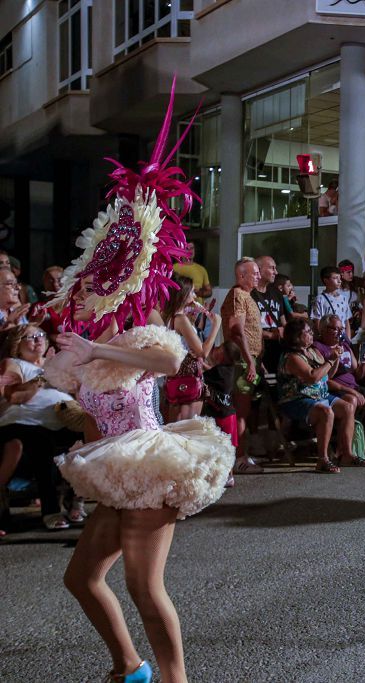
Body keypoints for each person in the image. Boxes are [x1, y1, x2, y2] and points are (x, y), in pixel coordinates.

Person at [46, 87, 233, 683]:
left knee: (141, 583)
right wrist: (89, 443)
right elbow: (98, 413)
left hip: (152, 465)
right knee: (81, 578)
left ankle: (174, 679)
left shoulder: (148, 334)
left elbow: (171, 367)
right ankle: (129, 666)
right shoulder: (86, 352)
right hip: (118, 470)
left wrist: (95, 348)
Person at [0, 324, 81, 530]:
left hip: (62, 420)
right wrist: (45, 374)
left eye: (41, 335)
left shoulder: (56, 362)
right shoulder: (14, 363)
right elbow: (15, 396)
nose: (38, 339)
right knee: (40, 440)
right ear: (17, 345)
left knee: (87, 433)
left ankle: (77, 500)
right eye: (31, 337)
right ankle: (50, 510)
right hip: (23, 423)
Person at [277, 319, 365, 471]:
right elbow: (312, 377)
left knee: (348, 407)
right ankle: (323, 459)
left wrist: (335, 359)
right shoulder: (292, 357)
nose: (312, 334)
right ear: (297, 336)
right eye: (308, 332)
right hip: (297, 399)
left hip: (319, 396)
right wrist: (330, 360)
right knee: (326, 412)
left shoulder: (312, 351)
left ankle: (347, 454)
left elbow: (327, 375)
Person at [315, 315, 365, 458]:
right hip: (336, 389)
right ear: (323, 329)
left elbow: (358, 374)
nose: (340, 333)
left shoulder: (345, 346)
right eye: (335, 329)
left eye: (341, 329)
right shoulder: (318, 348)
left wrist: (363, 362)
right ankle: (344, 449)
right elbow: (324, 379)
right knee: (352, 400)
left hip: (353, 385)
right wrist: (335, 361)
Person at [221, 257, 265, 474]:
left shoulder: (246, 295)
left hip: (249, 359)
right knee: (240, 412)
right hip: (240, 361)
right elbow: (237, 330)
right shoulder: (239, 295)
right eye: (255, 273)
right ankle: (238, 458)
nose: (258, 276)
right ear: (242, 275)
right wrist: (249, 361)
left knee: (244, 412)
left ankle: (242, 453)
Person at [160, 275, 222, 422]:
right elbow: (202, 352)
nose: (195, 296)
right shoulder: (180, 319)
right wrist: (216, 326)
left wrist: (193, 320)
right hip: (188, 379)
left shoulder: (169, 316)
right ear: (183, 294)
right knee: (188, 428)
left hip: (177, 378)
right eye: (192, 292)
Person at [251, 255, 289, 374]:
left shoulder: (276, 293)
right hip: (257, 348)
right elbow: (246, 328)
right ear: (259, 270)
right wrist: (271, 335)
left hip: (277, 348)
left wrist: (288, 333)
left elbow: (282, 320)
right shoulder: (248, 294)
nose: (276, 272)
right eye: (272, 268)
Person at [311, 265, 355, 337]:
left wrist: (348, 340)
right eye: (335, 278)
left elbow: (346, 321)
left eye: (339, 278)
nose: (339, 281)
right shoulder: (320, 299)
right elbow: (318, 321)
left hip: (342, 337)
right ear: (326, 280)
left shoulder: (344, 298)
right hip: (329, 337)